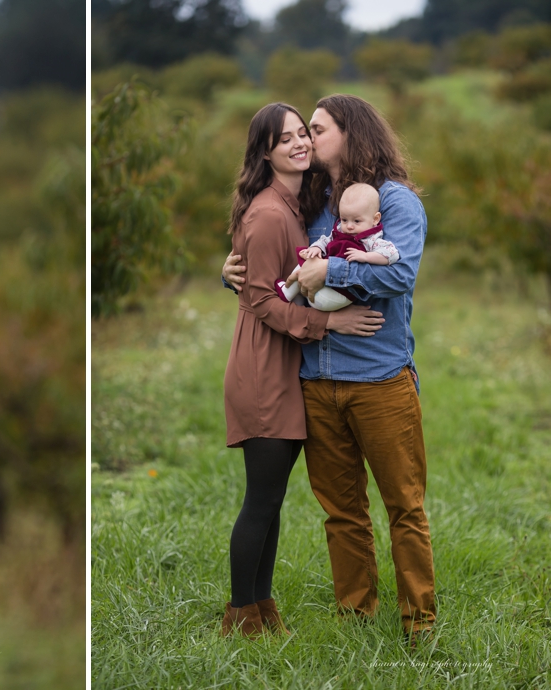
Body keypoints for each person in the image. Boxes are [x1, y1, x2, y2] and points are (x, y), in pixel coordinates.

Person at [223, 94, 435, 642]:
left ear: (351, 132)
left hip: (380, 380)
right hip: (316, 381)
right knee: (342, 514)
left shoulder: (395, 202)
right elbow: (274, 267)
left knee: (404, 507)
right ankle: (355, 617)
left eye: (316, 129)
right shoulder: (316, 201)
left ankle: (419, 622)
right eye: (301, 132)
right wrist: (234, 276)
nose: (308, 141)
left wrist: (329, 271)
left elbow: (399, 275)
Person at [220, 102, 373, 637]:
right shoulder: (268, 212)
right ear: (265, 151)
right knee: (261, 498)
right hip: (265, 369)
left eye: (303, 133)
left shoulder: (292, 205)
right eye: (285, 139)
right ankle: (241, 617)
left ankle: (261, 611)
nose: (300, 143)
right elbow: (261, 301)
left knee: (272, 498)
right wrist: (331, 325)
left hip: (283, 365)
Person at [278, 182, 396, 310]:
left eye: (357, 221)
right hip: (321, 289)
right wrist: (317, 248)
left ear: (375, 219)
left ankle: (287, 291)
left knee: (306, 265)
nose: (349, 226)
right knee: (308, 256)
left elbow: (391, 254)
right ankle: (298, 298)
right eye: (344, 219)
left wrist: (366, 256)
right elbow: (325, 240)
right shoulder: (340, 230)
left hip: (337, 294)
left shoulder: (372, 240)